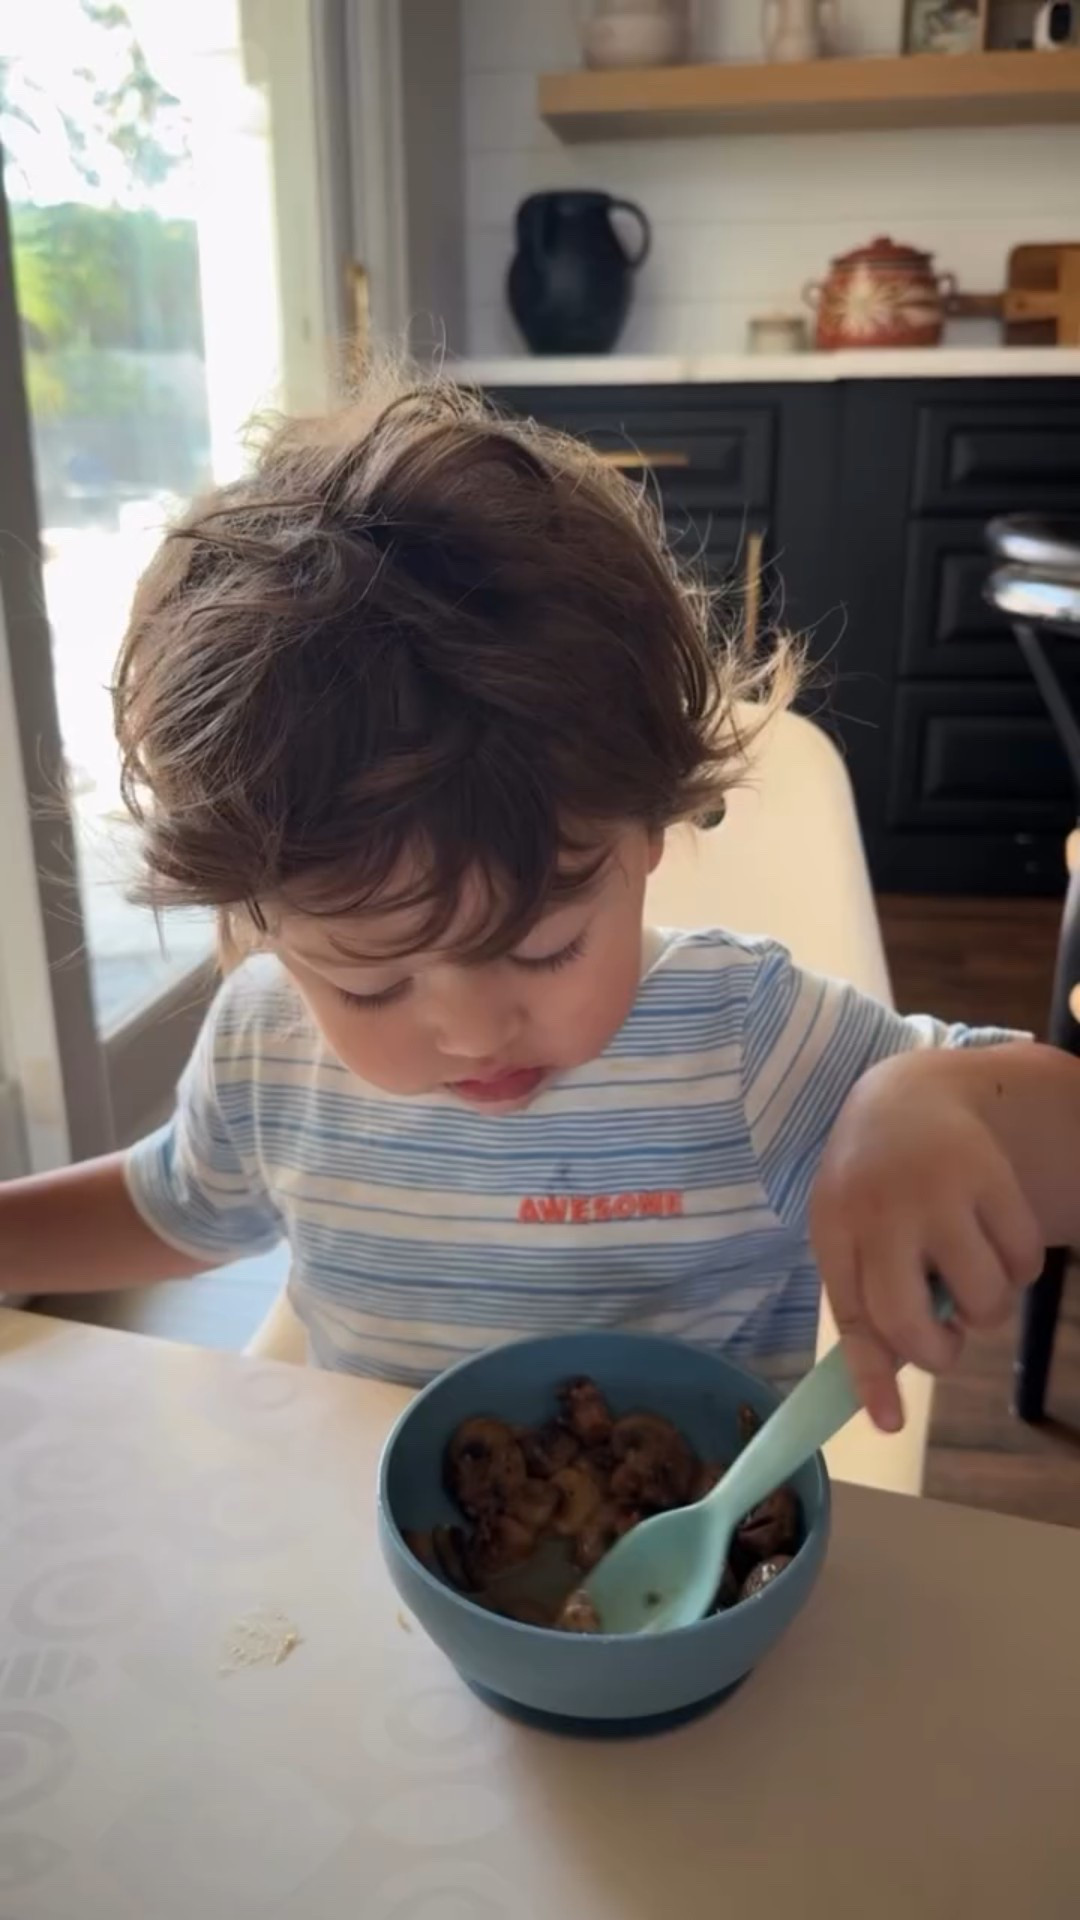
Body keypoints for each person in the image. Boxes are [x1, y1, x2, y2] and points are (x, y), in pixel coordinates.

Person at [2, 375, 1078, 1435]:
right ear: (259, 925)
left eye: (548, 949)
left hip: (694, 1572)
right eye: (370, 982)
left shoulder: (752, 1044)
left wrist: (938, 1104)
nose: (471, 1032)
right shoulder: (265, 1046)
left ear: (651, 833)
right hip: (364, 1553)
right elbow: (180, 1203)